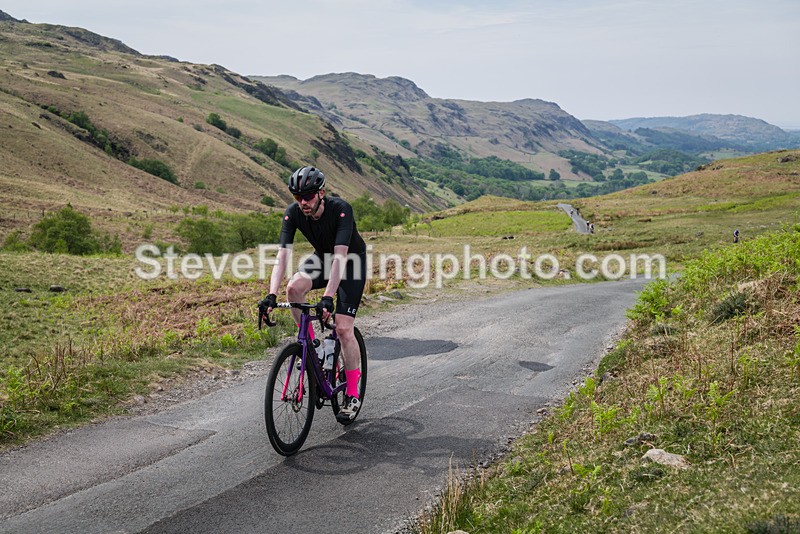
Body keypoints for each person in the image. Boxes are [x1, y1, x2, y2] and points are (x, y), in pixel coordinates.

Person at [259, 166, 367, 422]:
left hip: (350, 262)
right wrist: (271, 295)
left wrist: (329, 297)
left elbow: (341, 258)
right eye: (298, 197)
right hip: (323, 259)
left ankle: (352, 393)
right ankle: (312, 348)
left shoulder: (341, 209)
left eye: (307, 196)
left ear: (321, 193)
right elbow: (282, 256)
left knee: (342, 328)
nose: (303, 202)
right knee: (293, 288)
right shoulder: (293, 213)